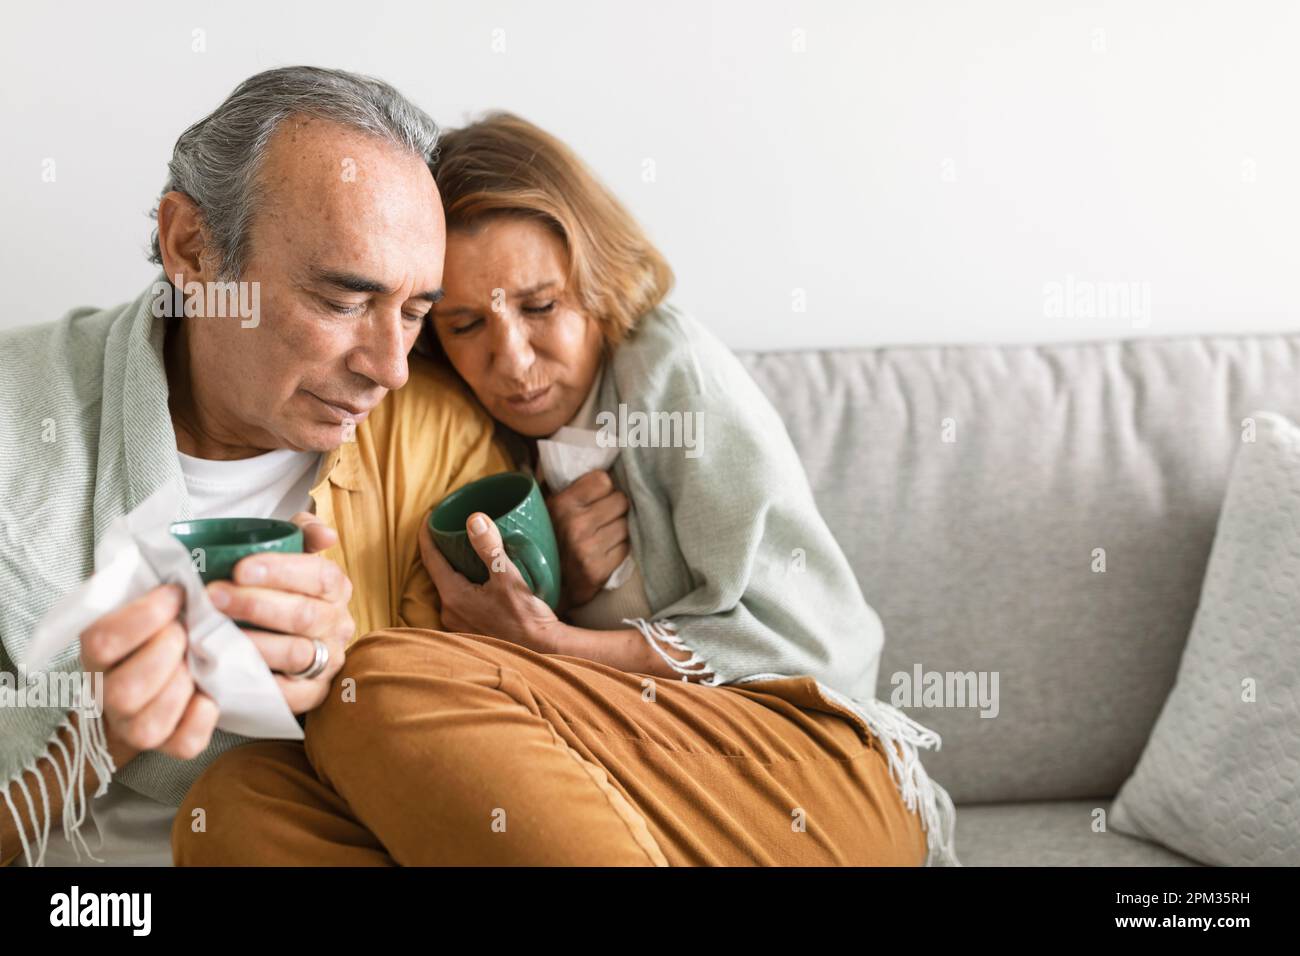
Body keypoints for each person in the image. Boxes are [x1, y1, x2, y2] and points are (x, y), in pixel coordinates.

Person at [173, 113, 960, 866]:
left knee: (379, 681)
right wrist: (551, 597)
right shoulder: (467, 433)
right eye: (466, 325)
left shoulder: (664, 368)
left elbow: (813, 643)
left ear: (596, 276)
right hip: (616, 788)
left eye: (541, 306)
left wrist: (554, 643)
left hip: (806, 767)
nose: (512, 361)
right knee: (240, 804)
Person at [0, 66, 512, 867]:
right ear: (193, 250)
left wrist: (333, 697)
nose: (391, 368)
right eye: (344, 300)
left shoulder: (442, 452)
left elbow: (492, 777)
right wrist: (98, 732)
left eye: (414, 313)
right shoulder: (19, 421)